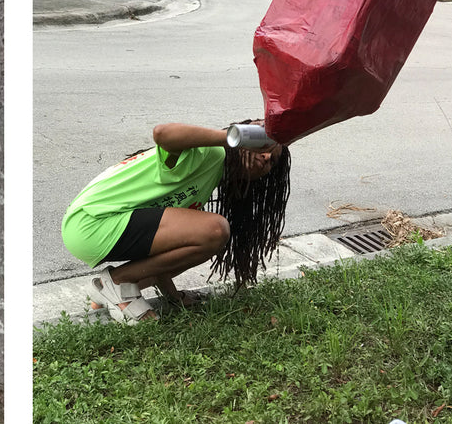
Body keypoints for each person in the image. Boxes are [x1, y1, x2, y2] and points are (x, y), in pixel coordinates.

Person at [61, 121, 292, 324]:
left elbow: (168, 248)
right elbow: (163, 133)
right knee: (214, 230)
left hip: (96, 226)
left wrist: (173, 296)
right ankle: (118, 282)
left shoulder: (213, 173)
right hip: (92, 224)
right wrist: (233, 137)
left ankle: (111, 294)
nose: (266, 157)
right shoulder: (212, 153)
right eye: (263, 147)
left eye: (272, 161)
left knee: (201, 235)